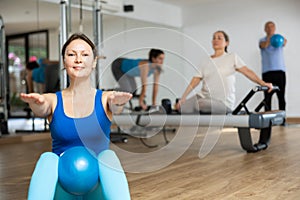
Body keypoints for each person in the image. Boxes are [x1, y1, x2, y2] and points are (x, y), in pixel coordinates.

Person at [20, 33, 132, 199]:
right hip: (63, 187)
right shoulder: (53, 99)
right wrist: (37, 103)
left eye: (85, 55)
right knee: (47, 159)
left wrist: (118, 103)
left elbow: (115, 107)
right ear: (64, 61)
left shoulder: (105, 98)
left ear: (94, 62)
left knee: (108, 157)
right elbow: (42, 108)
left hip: (97, 187)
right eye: (72, 54)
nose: (78, 59)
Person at [176, 30, 273, 114]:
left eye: (219, 38)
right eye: (214, 38)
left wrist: (263, 83)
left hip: (222, 103)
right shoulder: (205, 60)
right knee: (181, 107)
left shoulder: (232, 57)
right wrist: (183, 98)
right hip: (203, 97)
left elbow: (247, 72)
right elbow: (195, 80)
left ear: (226, 43)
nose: (216, 40)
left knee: (200, 104)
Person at [259, 21, 287, 112]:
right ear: (265, 29)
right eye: (268, 27)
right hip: (267, 73)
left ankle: (282, 119)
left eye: (272, 27)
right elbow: (263, 45)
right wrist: (270, 38)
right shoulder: (262, 40)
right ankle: (267, 120)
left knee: (281, 96)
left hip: (280, 71)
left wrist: (278, 38)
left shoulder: (279, 38)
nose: (270, 28)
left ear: (274, 28)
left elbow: (285, 42)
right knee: (267, 97)